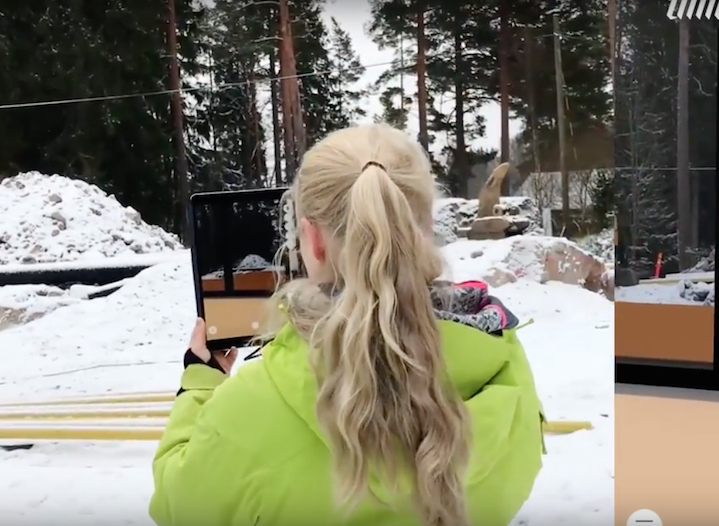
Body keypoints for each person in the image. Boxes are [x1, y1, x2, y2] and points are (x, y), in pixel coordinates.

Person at [149, 124, 545, 526]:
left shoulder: (254, 409)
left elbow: (177, 503)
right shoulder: (503, 368)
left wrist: (200, 383)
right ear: (424, 230)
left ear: (311, 240)